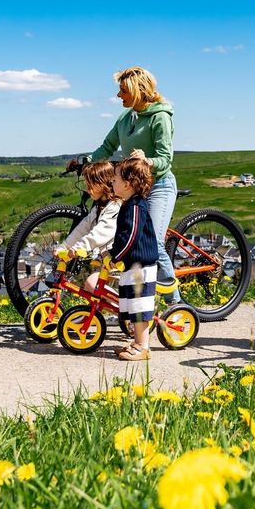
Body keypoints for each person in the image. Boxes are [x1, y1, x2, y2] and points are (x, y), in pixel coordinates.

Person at [72, 66, 180, 301]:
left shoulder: (159, 117)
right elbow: (107, 147)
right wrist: (86, 162)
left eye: (122, 90)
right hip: (132, 189)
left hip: (158, 186)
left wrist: (145, 161)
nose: (118, 95)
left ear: (138, 90)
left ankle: (176, 305)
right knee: (122, 241)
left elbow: (165, 160)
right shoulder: (125, 117)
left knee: (153, 243)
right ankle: (125, 302)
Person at [110, 151, 160, 361]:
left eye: (116, 178)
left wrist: (115, 256)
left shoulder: (136, 206)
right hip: (133, 265)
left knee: (139, 309)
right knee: (133, 306)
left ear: (128, 184)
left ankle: (143, 347)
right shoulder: (128, 204)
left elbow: (130, 236)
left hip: (141, 265)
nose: (112, 181)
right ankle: (137, 343)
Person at [54, 160, 120, 295]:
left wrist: (79, 248)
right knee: (92, 286)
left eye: (90, 185)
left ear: (104, 184)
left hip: (122, 262)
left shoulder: (115, 207)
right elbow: (82, 228)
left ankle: (131, 311)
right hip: (109, 262)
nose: (87, 189)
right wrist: (65, 246)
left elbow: (100, 233)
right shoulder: (98, 207)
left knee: (93, 285)